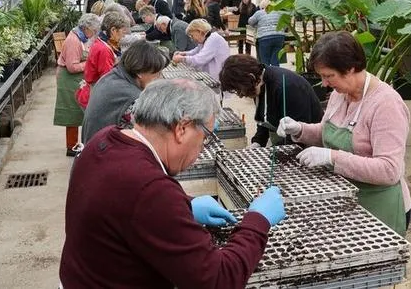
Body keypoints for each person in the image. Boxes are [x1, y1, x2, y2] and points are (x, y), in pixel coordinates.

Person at [60, 79, 286, 288]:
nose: (201, 149)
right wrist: (258, 220)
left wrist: (185, 205)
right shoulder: (151, 190)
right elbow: (218, 279)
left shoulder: (103, 139)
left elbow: (122, 202)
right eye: (205, 137)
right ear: (182, 128)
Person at [276, 31, 411, 236]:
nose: (324, 84)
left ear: (350, 68)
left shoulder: (386, 104)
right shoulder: (340, 94)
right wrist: (300, 129)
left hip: (379, 207)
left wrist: (332, 157)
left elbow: (389, 170)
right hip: (346, 200)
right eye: (322, 76)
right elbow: (327, 131)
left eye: (329, 76)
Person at [219, 54, 323, 148]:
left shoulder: (286, 87)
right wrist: (258, 142)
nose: (241, 95)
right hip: (285, 140)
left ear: (251, 77)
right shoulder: (258, 83)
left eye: (240, 90)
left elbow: (298, 136)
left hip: (311, 143)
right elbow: (264, 119)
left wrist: (271, 151)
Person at [81, 40, 168, 144]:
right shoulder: (131, 97)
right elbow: (148, 135)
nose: (159, 78)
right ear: (140, 72)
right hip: (103, 150)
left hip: (92, 145)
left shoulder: (113, 76)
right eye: (157, 74)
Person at [54, 14, 101, 156]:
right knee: (72, 113)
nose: (94, 33)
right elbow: (72, 67)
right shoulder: (73, 40)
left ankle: (77, 144)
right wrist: (91, 63)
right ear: (86, 28)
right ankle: (71, 147)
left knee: (78, 111)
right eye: (93, 30)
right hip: (69, 79)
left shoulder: (80, 36)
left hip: (76, 79)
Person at [77, 12, 131, 109]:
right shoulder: (104, 50)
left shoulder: (101, 42)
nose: (123, 36)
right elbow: (108, 79)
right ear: (113, 30)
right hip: (95, 97)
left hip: (92, 92)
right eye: (123, 32)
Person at [248, 0, 285, 66]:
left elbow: (250, 21)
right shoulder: (278, 12)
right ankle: (275, 72)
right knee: (275, 60)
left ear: (261, 6)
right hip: (279, 37)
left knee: (265, 60)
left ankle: (267, 72)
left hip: (264, 38)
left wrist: (257, 25)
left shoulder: (259, 13)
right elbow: (284, 24)